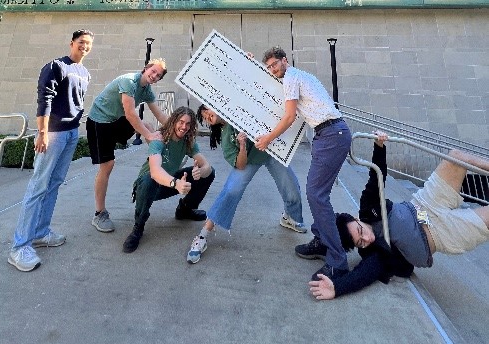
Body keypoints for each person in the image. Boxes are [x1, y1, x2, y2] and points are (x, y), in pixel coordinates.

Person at [309, 132, 489, 300]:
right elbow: (363, 274)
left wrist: (379, 146)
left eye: (360, 231)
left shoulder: (367, 209)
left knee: (455, 157)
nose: (368, 238)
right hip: (442, 233)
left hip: (425, 202)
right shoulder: (373, 252)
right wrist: (337, 288)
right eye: (360, 242)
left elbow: (376, 178)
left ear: (357, 219)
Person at [255, 46, 351, 281]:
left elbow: (288, 117)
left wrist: (267, 138)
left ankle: (337, 261)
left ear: (284, 60)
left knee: (316, 195)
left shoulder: (291, 77)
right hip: (328, 135)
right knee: (318, 194)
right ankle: (321, 241)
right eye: (268, 67)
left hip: (331, 134)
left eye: (274, 64)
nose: (272, 69)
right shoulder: (300, 76)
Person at [8, 29, 94, 272]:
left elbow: (77, 104)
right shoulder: (56, 66)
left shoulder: (84, 72)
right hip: (53, 134)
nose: (84, 47)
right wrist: (42, 133)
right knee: (38, 186)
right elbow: (44, 99)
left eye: (88, 44)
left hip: (71, 133)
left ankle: (40, 232)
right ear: (71, 44)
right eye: (81, 43)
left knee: (54, 183)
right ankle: (19, 247)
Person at [186, 104, 306, 264]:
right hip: (251, 158)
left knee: (291, 188)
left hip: (272, 149)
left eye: (207, 110)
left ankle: (289, 217)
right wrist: (242, 145)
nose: (207, 115)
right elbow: (241, 165)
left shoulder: (239, 106)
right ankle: (203, 235)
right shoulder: (225, 135)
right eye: (205, 118)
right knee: (231, 190)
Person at [86, 58, 168, 232]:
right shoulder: (129, 81)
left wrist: (179, 129)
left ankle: (160, 160)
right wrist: (149, 136)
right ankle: (99, 213)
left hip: (117, 119)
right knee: (107, 165)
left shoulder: (147, 90)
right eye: (153, 71)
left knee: (149, 126)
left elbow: (160, 114)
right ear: (146, 68)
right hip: (99, 121)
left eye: (158, 75)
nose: (154, 76)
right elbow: (131, 114)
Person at [122, 106, 215, 253]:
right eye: (181, 122)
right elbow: (155, 171)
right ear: (173, 121)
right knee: (149, 180)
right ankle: (138, 228)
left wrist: (201, 171)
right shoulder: (159, 138)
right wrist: (176, 183)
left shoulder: (188, 142)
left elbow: (207, 166)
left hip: (169, 184)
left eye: (188, 124)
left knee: (210, 173)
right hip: (147, 186)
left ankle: (185, 210)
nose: (184, 127)